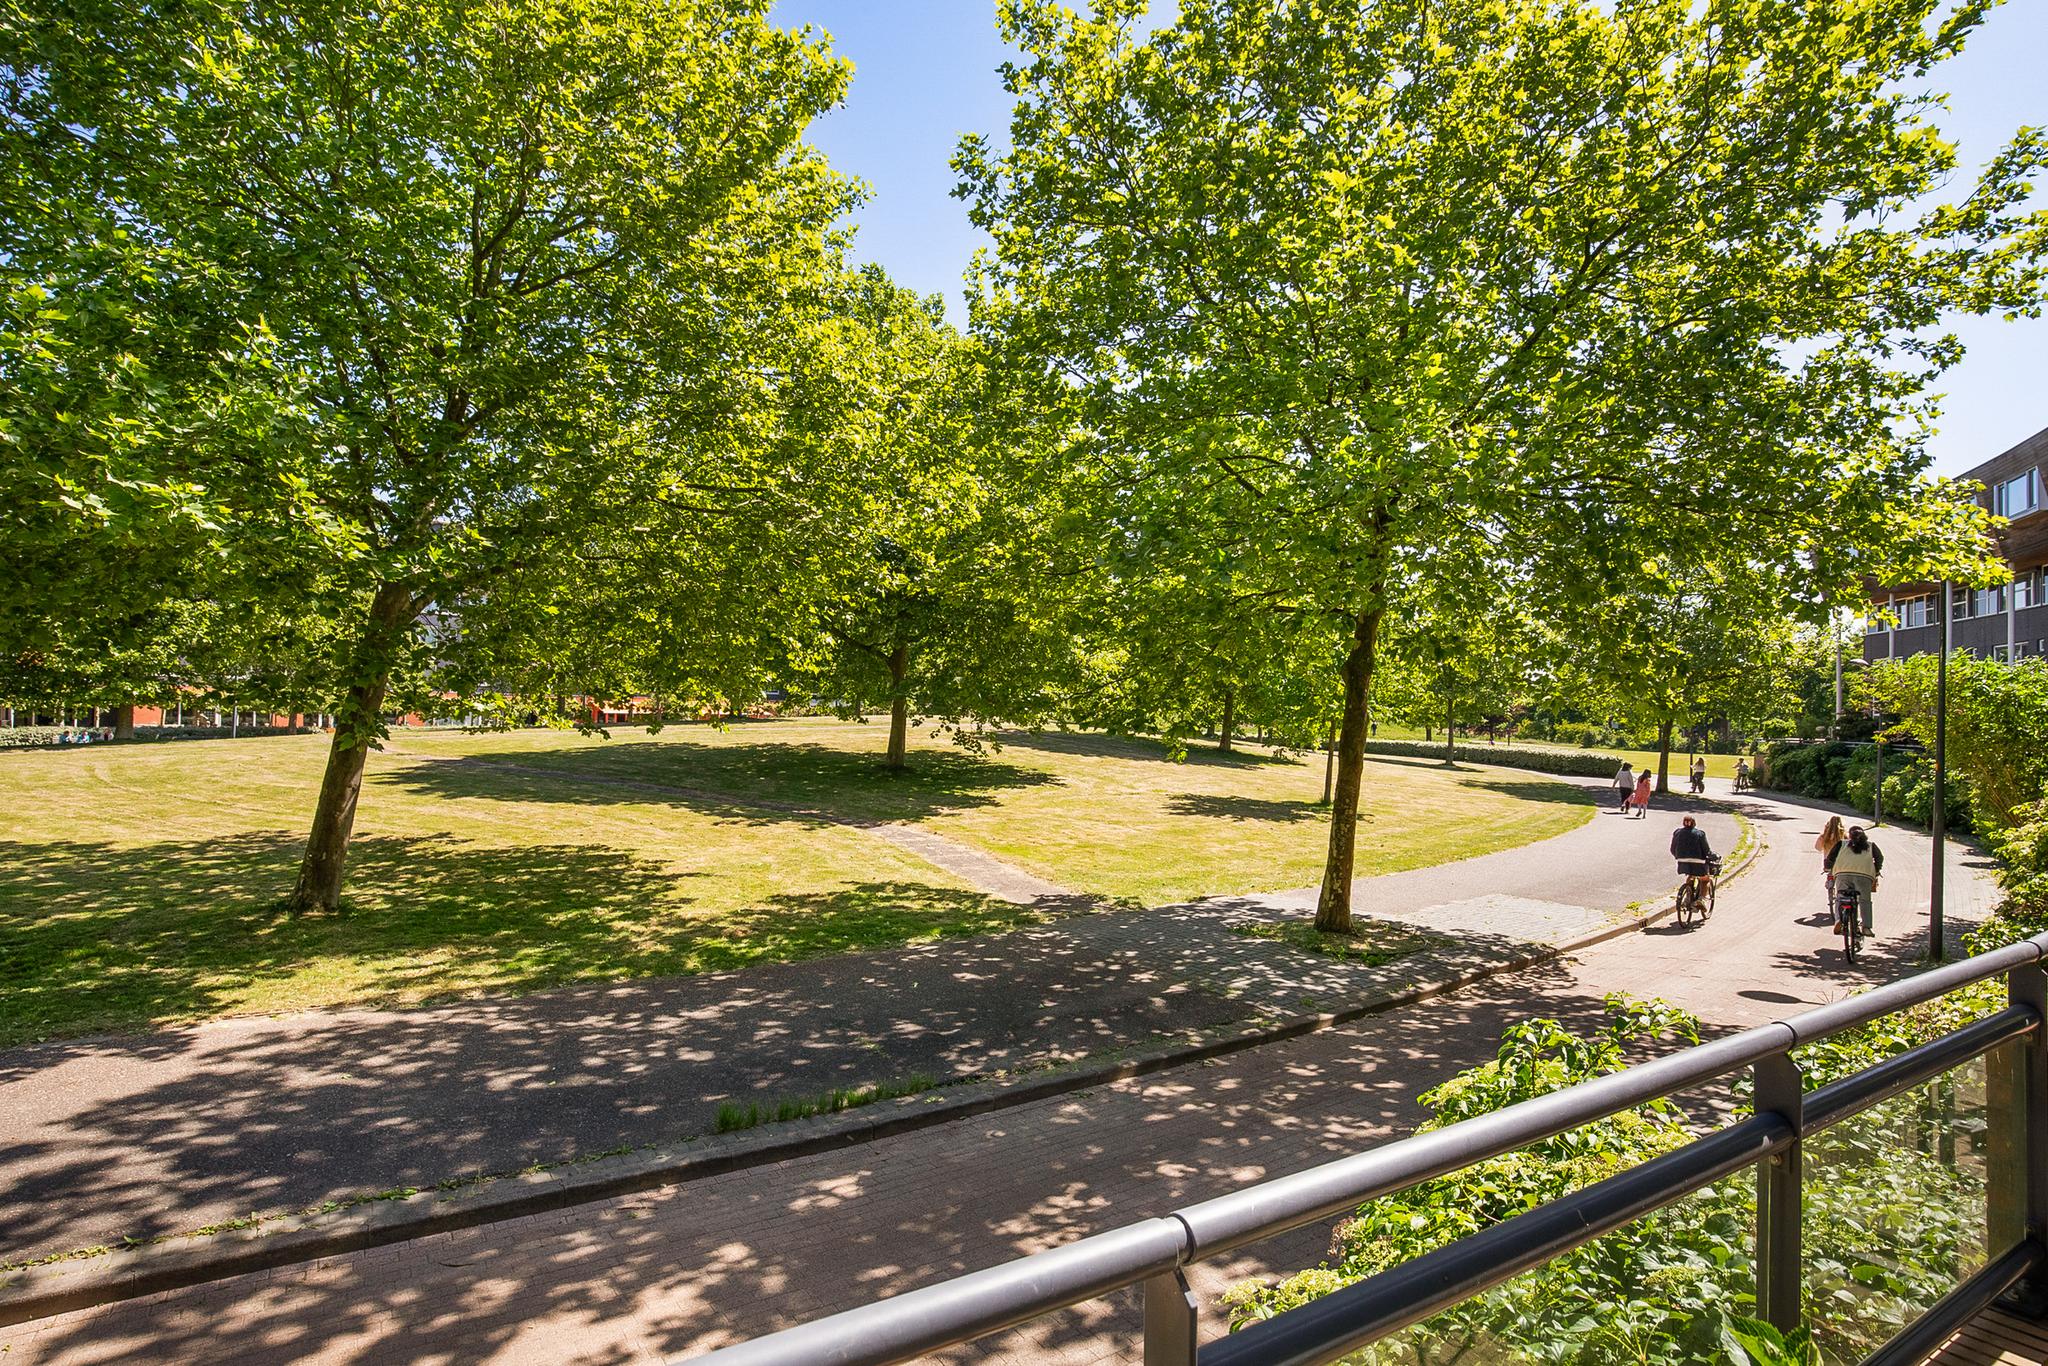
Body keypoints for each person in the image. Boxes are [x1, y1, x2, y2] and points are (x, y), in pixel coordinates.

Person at [1825, 826, 1884, 935]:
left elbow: (1830, 858)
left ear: (1850, 836)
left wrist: (1828, 867)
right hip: (1865, 876)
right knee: (1865, 901)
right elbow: (1879, 858)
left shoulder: (1841, 844)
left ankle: (1838, 920)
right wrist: (1876, 870)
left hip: (1842, 874)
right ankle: (1866, 927)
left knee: (1840, 898)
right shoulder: (1871, 845)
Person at [1671, 815, 1717, 893]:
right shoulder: (1700, 834)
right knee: (1704, 879)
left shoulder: (1677, 832)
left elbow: (1672, 849)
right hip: (1698, 861)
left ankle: (1688, 894)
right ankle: (1702, 898)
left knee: (1690, 875)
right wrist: (1712, 856)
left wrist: (1678, 856)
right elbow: (1706, 850)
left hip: (1682, 861)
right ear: (1694, 823)